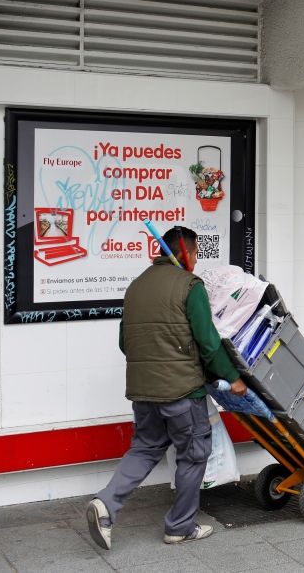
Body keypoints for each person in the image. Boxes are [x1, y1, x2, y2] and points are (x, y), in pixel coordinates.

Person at [85, 226, 247, 549]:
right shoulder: (190, 286)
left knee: (144, 448)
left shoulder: (136, 287)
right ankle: (179, 526)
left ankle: (105, 505)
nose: (197, 261)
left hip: (143, 393)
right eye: (197, 253)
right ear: (185, 252)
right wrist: (233, 377)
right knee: (194, 452)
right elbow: (208, 343)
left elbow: (124, 342)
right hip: (182, 393)